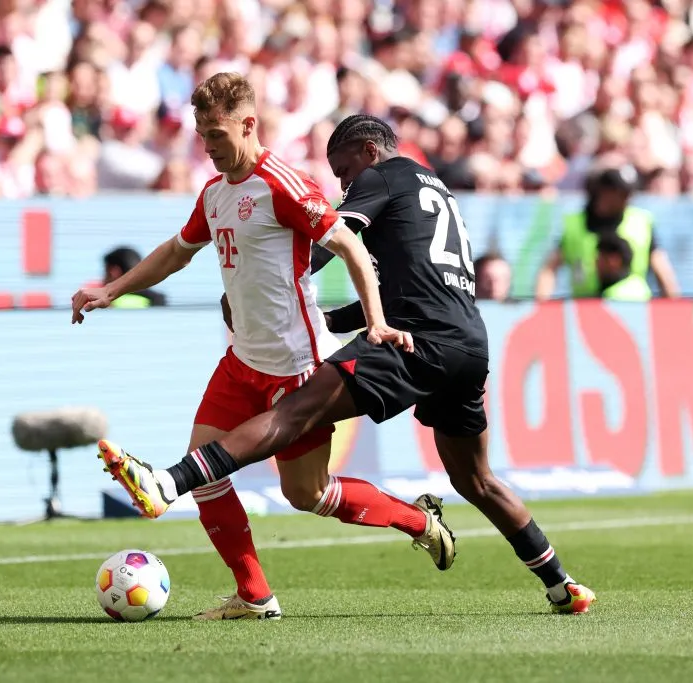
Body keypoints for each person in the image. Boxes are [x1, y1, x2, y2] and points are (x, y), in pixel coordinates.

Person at [98, 115, 597, 615]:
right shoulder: (437, 189)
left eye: (345, 170)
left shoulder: (382, 176)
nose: (344, 183)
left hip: (415, 341)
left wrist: (273, 279)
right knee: (478, 480)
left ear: (369, 150)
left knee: (296, 410)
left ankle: (169, 481)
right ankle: (562, 585)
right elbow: (414, 285)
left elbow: (335, 237)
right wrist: (326, 313)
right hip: (468, 343)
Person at [71, 75, 448, 621]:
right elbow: (177, 253)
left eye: (216, 134)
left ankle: (418, 522)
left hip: (297, 367)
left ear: (248, 125)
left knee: (309, 494)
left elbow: (350, 247)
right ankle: (254, 595)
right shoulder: (216, 192)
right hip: (241, 360)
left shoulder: (283, 185)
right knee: (206, 477)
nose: (208, 146)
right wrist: (111, 288)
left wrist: (377, 323)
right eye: (202, 136)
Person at [535, 164, 680, 300]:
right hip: (584, 310)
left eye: (629, 193)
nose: (627, 198)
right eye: (621, 192)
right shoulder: (574, 224)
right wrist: (542, 308)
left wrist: (674, 310)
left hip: (633, 308)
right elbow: (549, 269)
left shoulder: (641, 222)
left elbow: (662, 269)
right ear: (603, 191)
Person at [102, 246, 167, 308]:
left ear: (113, 272)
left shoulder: (110, 304)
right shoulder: (159, 299)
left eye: (105, 272)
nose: (103, 279)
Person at [595, 233, 652, 301]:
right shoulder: (639, 284)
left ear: (614, 260)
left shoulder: (615, 296)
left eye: (601, 257)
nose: (596, 263)